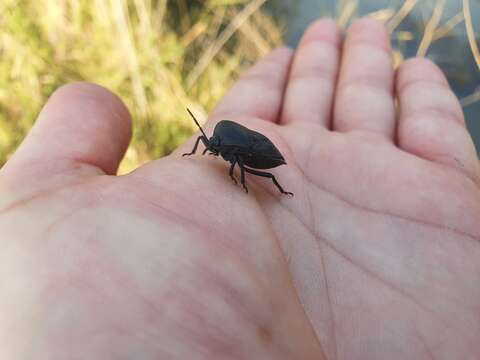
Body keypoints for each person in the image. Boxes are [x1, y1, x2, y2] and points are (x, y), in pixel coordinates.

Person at [1, 17, 479, 359]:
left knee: (259, 176)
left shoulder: (232, 154)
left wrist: (245, 179)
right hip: (256, 145)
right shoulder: (219, 142)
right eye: (206, 146)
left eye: (207, 145)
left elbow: (233, 159)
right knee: (249, 171)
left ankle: (279, 190)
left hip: (261, 152)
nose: (205, 149)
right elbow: (214, 147)